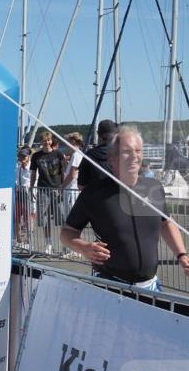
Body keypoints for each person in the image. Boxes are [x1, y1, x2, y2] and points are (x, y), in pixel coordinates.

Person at [61, 126, 189, 290]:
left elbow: (166, 223)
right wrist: (83, 247)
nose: (134, 156)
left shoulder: (153, 187)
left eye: (138, 151)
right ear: (112, 158)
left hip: (151, 287)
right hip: (109, 285)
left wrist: (182, 254)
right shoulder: (94, 193)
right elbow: (67, 232)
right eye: (127, 151)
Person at [29, 131, 69, 253]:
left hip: (57, 188)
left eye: (48, 140)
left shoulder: (58, 154)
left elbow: (64, 171)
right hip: (43, 189)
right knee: (44, 218)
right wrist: (31, 187)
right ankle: (48, 243)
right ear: (41, 142)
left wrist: (63, 186)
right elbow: (33, 173)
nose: (46, 142)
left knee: (61, 217)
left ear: (51, 141)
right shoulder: (36, 156)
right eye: (44, 141)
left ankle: (65, 244)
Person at [77, 119, 117, 189]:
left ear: (98, 134)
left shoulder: (89, 155)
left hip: (95, 197)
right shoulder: (121, 154)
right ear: (115, 134)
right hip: (117, 197)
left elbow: (81, 185)